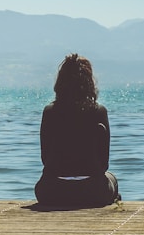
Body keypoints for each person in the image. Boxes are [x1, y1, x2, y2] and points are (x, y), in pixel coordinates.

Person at [35, 53, 119, 207]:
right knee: (111, 178)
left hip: (52, 191)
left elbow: (45, 159)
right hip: (93, 191)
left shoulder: (50, 112)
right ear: (90, 83)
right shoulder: (99, 112)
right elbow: (104, 164)